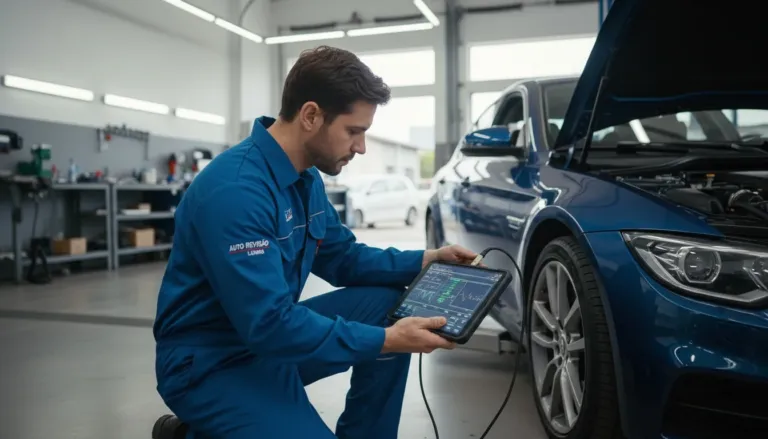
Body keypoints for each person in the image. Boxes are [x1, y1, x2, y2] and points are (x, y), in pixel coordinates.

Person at [153, 45, 478, 439]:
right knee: (387, 333)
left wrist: (427, 259)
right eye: (353, 131)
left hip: (266, 342)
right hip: (211, 363)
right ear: (310, 116)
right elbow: (270, 325)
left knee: (388, 304)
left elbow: (343, 258)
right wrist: (386, 340)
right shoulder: (236, 192)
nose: (360, 147)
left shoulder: (305, 178)